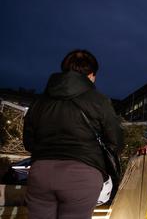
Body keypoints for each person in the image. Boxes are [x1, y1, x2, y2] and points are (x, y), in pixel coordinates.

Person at [23, 50, 124, 219]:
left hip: (41, 172)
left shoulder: (39, 102)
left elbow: (28, 142)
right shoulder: (98, 100)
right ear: (91, 75)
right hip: (82, 174)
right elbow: (115, 141)